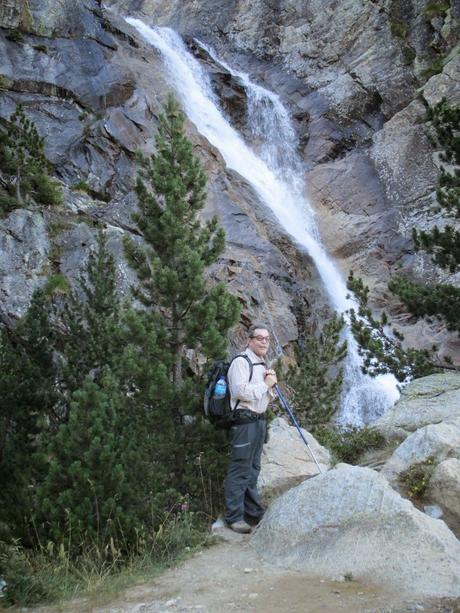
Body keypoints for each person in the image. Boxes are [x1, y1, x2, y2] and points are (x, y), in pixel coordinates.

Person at [224, 323, 277, 533]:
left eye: (267, 338)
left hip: (259, 420)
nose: (264, 341)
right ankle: (234, 517)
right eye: (259, 338)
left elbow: (265, 395)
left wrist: (269, 383)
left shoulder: (261, 363)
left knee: (253, 469)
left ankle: (252, 513)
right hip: (244, 421)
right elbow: (239, 392)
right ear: (249, 340)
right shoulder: (241, 362)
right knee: (240, 469)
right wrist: (266, 384)